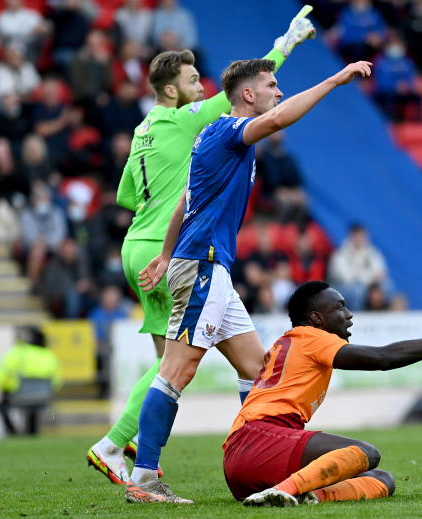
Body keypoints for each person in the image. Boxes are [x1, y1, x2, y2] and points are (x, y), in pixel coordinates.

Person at [84, 11, 317, 488]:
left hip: (142, 241)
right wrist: (284, 47)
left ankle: (250, 452)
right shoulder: (189, 120)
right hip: (181, 247)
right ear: (172, 90)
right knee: (174, 364)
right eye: (193, 80)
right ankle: (119, 448)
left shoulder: (142, 130)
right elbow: (245, 98)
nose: (200, 87)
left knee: (222, 362)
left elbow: (125, 197)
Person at [129, 57, 373, 503]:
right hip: (202, 265)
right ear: (248, 95)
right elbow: (279, 118)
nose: (277, 93)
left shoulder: (216, 138)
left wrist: (165, 256)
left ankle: (259, 459)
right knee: (175, 371)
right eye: (272, 85)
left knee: (256, 370)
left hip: (208, 267)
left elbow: (185, 202)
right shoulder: (227, 130)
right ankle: (144, 479)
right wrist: (336, 79)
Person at [228, 281, 422, 506]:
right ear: (316, 318)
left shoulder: (289, 342)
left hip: (248, 457)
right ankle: (287, 490)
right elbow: (384, 358)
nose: (349, 315)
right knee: (365, 453)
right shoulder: (311, 337)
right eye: (340, 307)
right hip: (260, 439)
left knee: (382, 479)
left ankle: (309, 496)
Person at [0, 326, 62, 435]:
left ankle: (12, 432)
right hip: (42, 398)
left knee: (2, 405)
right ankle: (31, 433)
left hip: (19, 396)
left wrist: (7, 388)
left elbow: (1, 374)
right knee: (33, 405)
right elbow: (57, 382)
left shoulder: (18, 353)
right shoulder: (50, 356)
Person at [327, 223, 389, 311]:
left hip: (365, 285)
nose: (360, 239)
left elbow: (380, 273)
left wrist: (363, 276)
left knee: (387, 286)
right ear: (351, 236)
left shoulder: (372, 252)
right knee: (358, 291)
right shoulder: (340, 254)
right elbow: (348, 279)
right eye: (357, 236)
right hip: (341, 289)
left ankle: (385, 316)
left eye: (362, 236)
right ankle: (357, 318)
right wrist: (371, 276)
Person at [374, 35, 422, 121]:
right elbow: (381, 82)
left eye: (398, 44)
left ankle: (418, 122)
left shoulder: (408, 62)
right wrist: (395, 87)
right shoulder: (381, 62)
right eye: (393, 44)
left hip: (404, 91)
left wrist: (408, 87)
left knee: (418, 96)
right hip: (386, 92)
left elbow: (411, 78)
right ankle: (391, 121)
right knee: (389, 96)